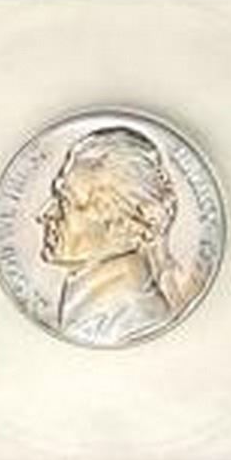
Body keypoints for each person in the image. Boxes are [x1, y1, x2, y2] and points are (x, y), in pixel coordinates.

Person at [39, 124, 186, 344]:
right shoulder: (93, 314)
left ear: (123, 225)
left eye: (65, 202)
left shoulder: (131, 323)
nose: (45, 214)